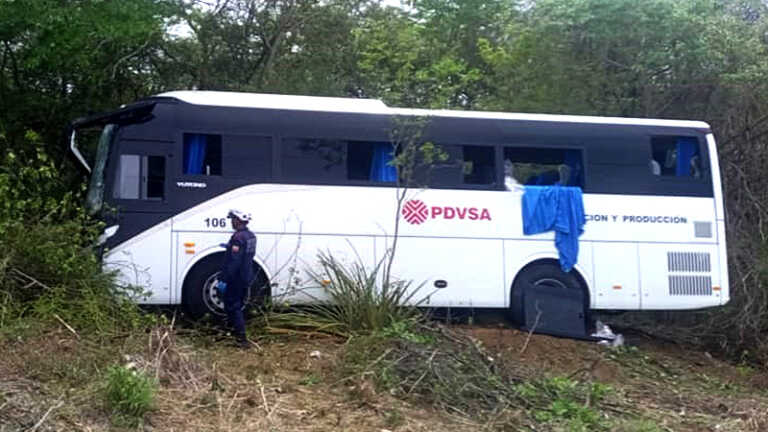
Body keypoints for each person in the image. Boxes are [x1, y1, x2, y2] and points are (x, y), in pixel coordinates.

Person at [216, 209, 257, 348]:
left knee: (232, 306)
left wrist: (224, 278)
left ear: (239, 220)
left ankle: (242, 339)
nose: (231, 222)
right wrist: (229, 247)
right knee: (236, 304)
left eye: (233, 219)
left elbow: (234, 261)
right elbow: (245, 254)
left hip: (236, 277)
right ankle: (232, 333)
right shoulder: (250, 235)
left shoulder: (238, 238)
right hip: (246, 275)